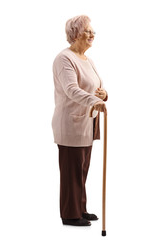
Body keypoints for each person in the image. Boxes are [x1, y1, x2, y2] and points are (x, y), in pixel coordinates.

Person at [52, 15, 107, 227]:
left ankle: (80, 208)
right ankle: (70, 214)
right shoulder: (64, 59)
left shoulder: (87, 59)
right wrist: (95, 99)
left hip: (88, 121)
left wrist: (103, 94)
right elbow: (71, 90)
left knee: (82, 169)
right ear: (75, 34)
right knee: (71, 171)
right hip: (71, 123)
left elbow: (94, 87)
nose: (93, 34)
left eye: (93, 31)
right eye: (88, 31)